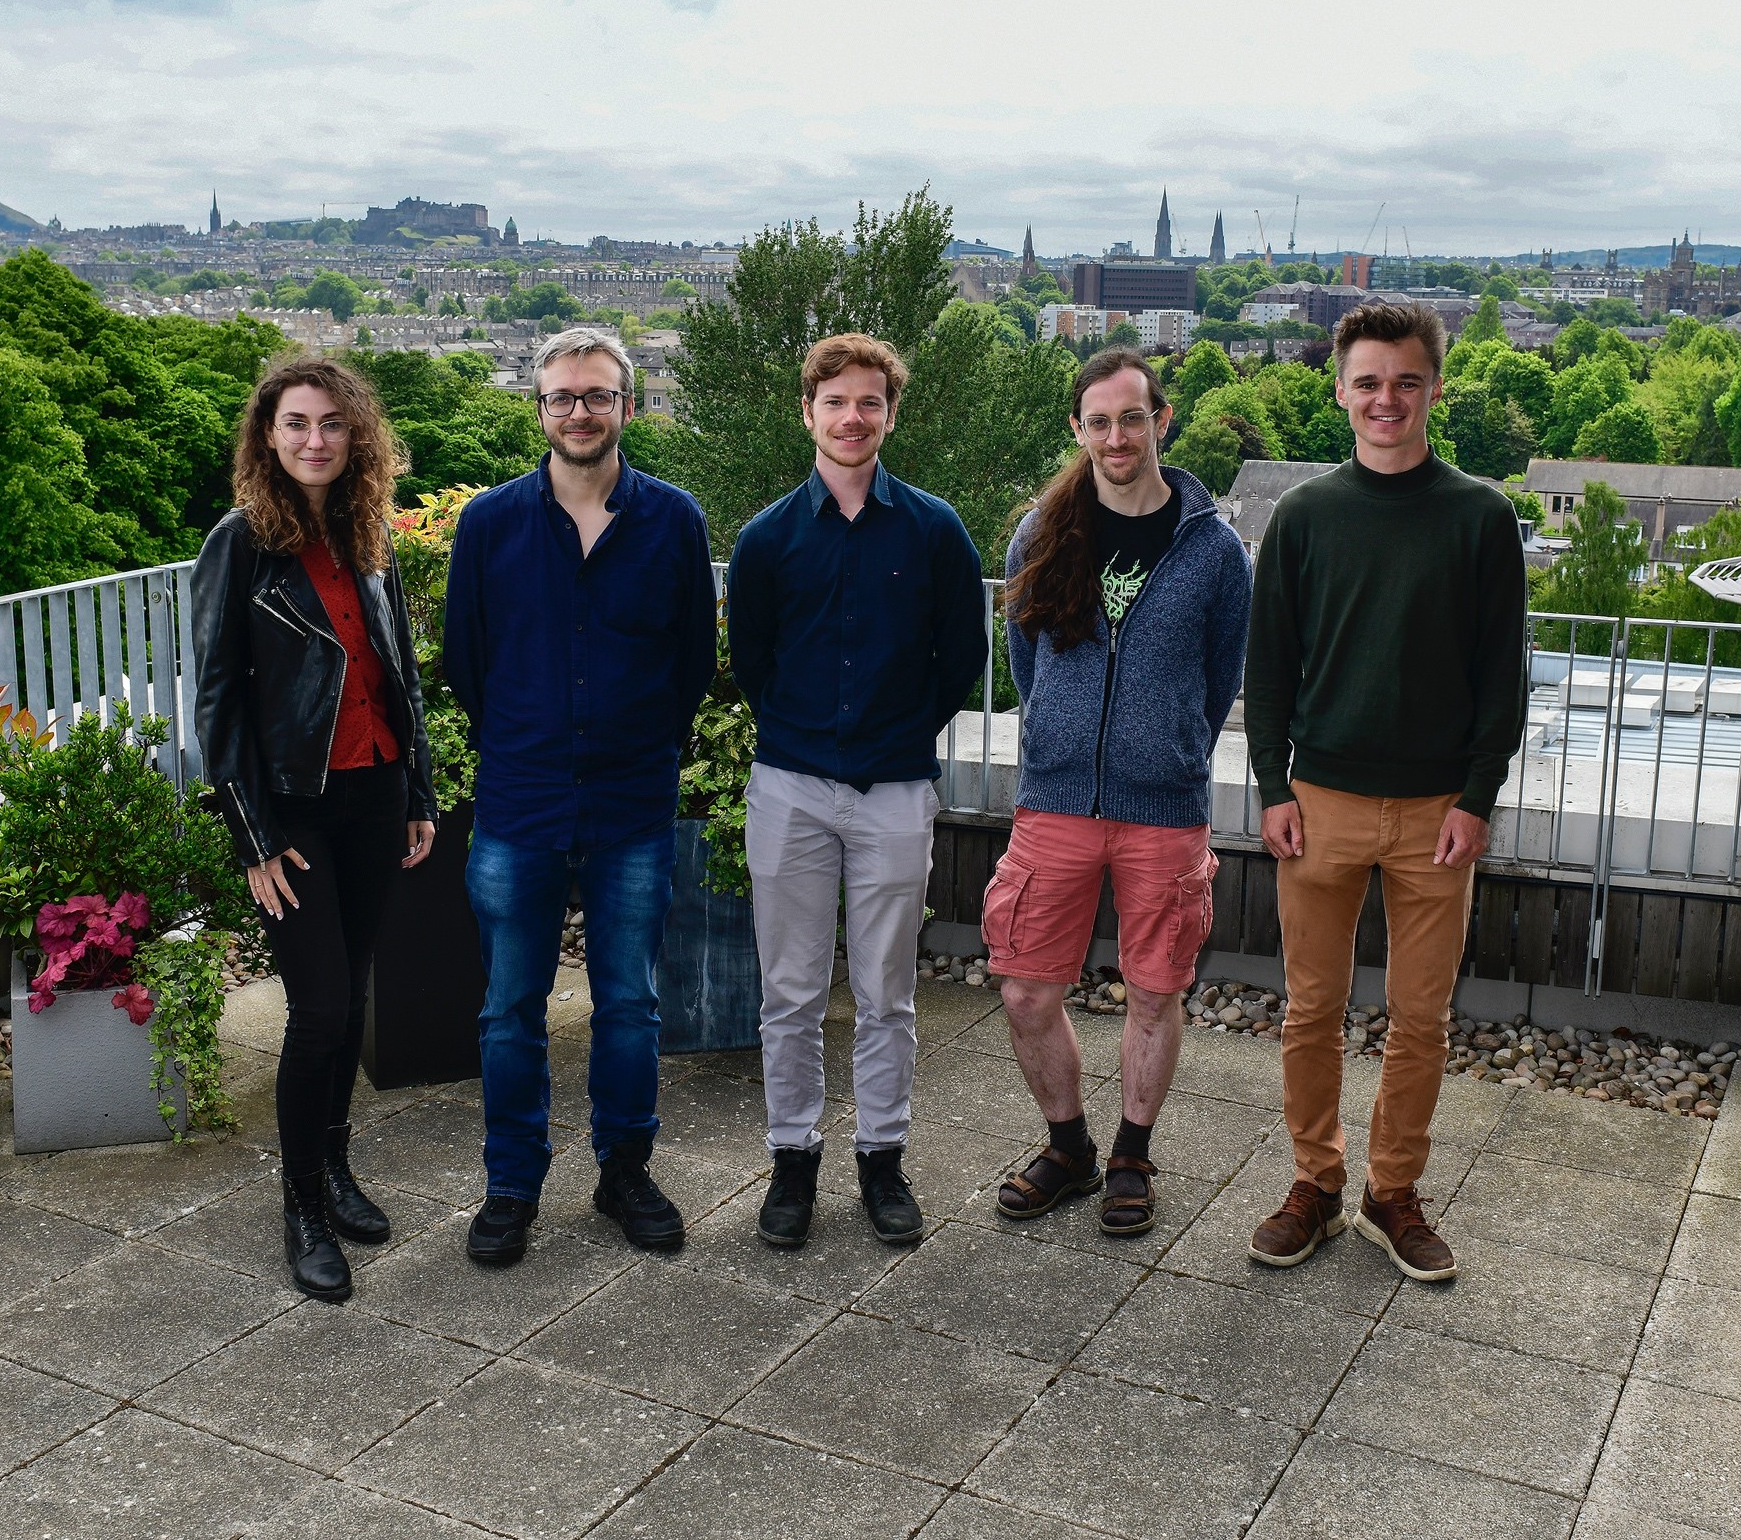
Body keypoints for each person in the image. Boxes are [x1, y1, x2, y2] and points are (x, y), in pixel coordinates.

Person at [1244, 300, 1526, 1281]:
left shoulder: (1480, 517)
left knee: (1419, 1018)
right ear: (1339, 391)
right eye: (1366, 381)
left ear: (1433, 388)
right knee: (1309, 1011)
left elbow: (1502, 676)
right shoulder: (1305, 516)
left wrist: (1476, 797)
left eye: (1404, 381)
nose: (1385, 399)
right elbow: (1267, 667)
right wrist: (1270, 786)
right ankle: (1314, 1183)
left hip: (1434, 815)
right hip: (1315, 802)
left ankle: (1389, 1193)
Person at [443, 324, 716, 1267]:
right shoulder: (489, 524)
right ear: (541, 410)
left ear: (626, 407)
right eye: (562, 397)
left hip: (631, 800)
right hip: (519, 799)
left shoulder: (674, 520)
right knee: (508, 1004)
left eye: (597, 395)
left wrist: (639, 742)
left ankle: (623, 1171)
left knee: (630, 1004)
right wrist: (524, 739)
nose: (579, 411)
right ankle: (511, 1183)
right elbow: (466, 663)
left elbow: (692, 663)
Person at [982, 348, 1249, 1236]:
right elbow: (1026, 661)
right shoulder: (1041, 532)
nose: (1116, 436)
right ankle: (1069, 1146)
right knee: (1024, 987)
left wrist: (1164, 748)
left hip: (1161, 807)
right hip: (1055, 799)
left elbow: (1220, 680)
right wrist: (1061, 735)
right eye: (1098, 421)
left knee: (1153, 989)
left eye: (1131, 417)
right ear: (1078, 430)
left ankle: (1132, 1150)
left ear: (1161, 420)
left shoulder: (1212, 549)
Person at [728, 332, 986, 1248]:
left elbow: (961, 654)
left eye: (868, 401)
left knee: (886, 991)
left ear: (888, 413)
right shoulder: (766, 538)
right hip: (790, 785)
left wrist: (900, 735)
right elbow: (750, 661)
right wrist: (806, 736)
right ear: (808, 412)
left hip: (893, 788)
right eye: (834, 401)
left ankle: (882, 1159)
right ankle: (791, 1162)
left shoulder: (932, 528)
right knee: (790, 991)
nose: (851, 417)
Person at [193, 356, 439, 1304]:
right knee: (322, 1006)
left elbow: (396, 673)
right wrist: (252, 837)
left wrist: (416, 789)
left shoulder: (364, 526)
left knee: (355, 991)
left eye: (332, 423)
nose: (314, 439)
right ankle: (299, 1204)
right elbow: (217, 702)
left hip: (374, 794)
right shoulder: (241, 542)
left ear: (356, 436)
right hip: (294, 808)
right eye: (295, 423)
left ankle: (336, 1170)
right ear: (267, 435)